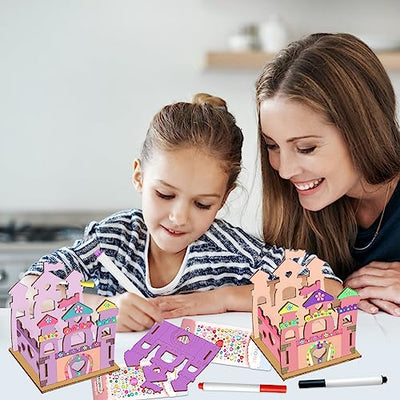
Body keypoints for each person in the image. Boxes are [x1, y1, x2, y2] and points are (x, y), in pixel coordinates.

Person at [23, 93, 340, 331]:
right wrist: (100, 308)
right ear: (139, 176)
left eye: (202, 204)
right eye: (164, 194)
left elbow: (328, 287)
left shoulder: (234, 251)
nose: (178, 217)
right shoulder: (111, 240)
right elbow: (29, 290)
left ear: (223, 198)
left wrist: (223, 299)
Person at [255, 32, 400, 316]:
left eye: (306, 148)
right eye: (273, 146)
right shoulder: (303, 206)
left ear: (363, 130)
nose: (284, 170)